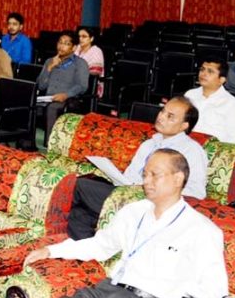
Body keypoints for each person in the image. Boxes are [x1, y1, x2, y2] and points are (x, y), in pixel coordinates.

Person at [23, 149, 229, 298]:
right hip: (109, 292)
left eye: (155, 175)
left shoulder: (202, 231)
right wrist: (52, 251)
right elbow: (101, 245)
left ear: (178, 179)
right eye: (145, 174)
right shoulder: (134, 211)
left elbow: (215, 293)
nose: (146, 181)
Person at [66, 97, 208, 240]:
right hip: (127, 194)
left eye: (170, 116)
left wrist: (155, 188)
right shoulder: (149, 143)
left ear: (184, 125)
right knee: (78, 214)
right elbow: (130, 177)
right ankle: (93, 255)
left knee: (78, 186)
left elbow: (197, 193)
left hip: (150, 203)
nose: (161, 117)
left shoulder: (191, 150)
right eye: (163, 111)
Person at [36, 31, 90, 138]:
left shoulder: (80, 63)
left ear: (74, 48)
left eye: (66, 44)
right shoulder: (49, 61)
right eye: (60, 42)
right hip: (48, 98)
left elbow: (82, 86)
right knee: (28, 103)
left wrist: (65, 95)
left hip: (69, 99)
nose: (61, 46)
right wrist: (49, 68)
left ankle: (50, 143)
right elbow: (41, 85)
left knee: (53, 108)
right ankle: (27, 142)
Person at [184, 57, 235, 144]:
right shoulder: (190, 95)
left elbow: (234, 140)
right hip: (184, 145)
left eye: (210, 71)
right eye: (202, 69)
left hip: (212, 152)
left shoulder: (233, 105)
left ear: (222, 80)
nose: (203, 74)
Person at [75, 26, 105, 97]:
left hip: (90, 85)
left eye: (84, 36)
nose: (80, 39)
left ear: (91, 38)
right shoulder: (77, 48)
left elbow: (95, 72)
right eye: (79, 36)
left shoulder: (96, 51)